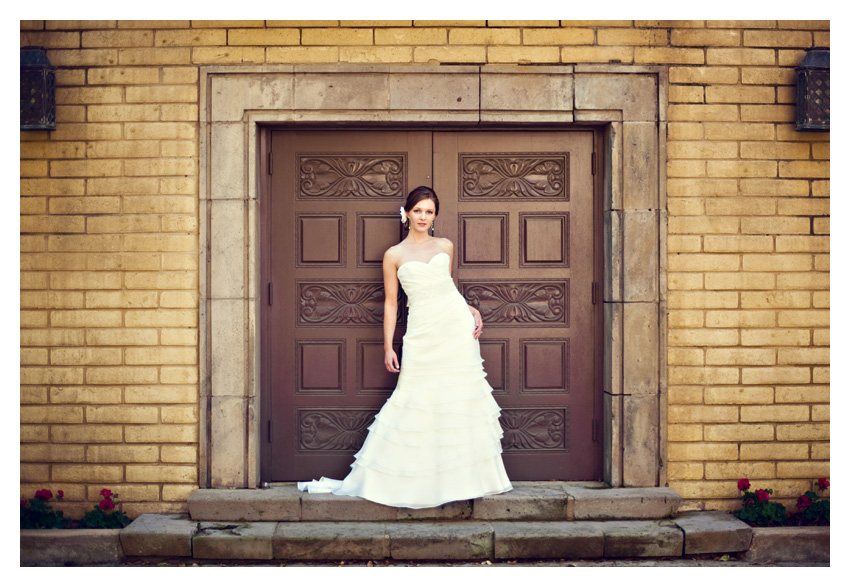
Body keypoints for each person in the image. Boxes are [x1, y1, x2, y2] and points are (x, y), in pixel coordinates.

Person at [297, 186, 512, 508]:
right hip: (421, 333)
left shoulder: (445, 246)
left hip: (455, 328)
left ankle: (463, 479)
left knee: (459, 397)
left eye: (429, 211)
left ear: (434, 215)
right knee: (415, 399)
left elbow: (446, 287)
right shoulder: (394, 255)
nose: (423, 217)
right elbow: (391, 304)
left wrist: (469, 308)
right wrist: (388, 346)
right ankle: (410, 478)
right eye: (418, 211)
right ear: (407, 213)